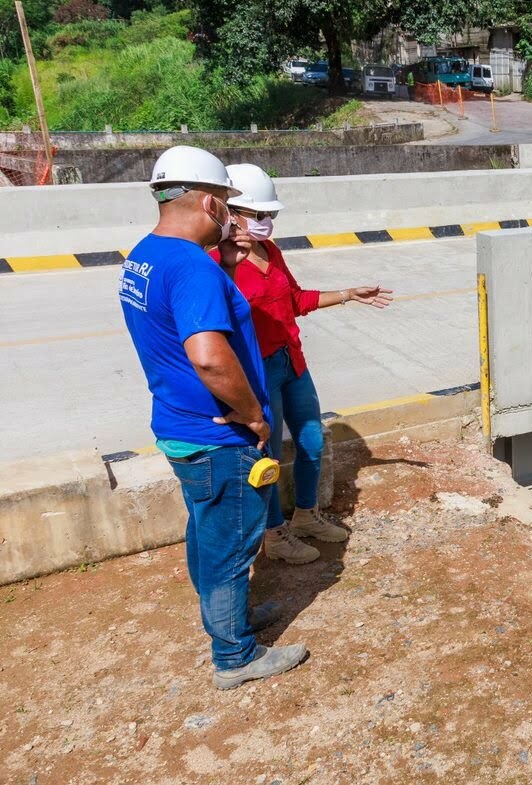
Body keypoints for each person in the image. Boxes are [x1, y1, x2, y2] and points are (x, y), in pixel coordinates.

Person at [118, 146, 308, 690]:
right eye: (227, 203)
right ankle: (235, 656)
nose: (231, 213)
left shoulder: (144, 256)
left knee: (206, 529)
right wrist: (252, 414)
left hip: (179, 426)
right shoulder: (192, 268)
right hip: (218, 434)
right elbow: (206, 354)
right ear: (209, 201)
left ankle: (230, 619)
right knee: (230, 542)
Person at [211, 163, 393, 565]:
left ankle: (306, 517)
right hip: (257, 373)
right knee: (268, 456)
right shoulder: (215, 263)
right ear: (231, 213)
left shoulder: (269, 251)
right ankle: (275, 535)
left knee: (312, 441)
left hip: (291, 361)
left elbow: (293, 300)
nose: (266, 223)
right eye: (259, 215)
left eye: (270, 215)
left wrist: (348, 294)